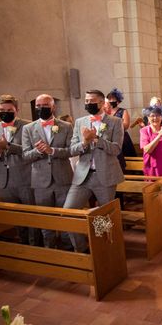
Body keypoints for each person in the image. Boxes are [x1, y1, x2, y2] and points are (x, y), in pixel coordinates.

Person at [63, 89, 124, 252]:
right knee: (68, 211)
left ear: (102, 103)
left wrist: (96, 140)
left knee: (106, 216)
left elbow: (116, 149)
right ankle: (82, 250)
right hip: (82, 175)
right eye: (86, 101)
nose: (88, 103)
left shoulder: (115, 122)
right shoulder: (80, 122)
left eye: (92, 101)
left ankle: (107, 250)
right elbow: (72, 149)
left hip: (105, 175)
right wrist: (84, 142)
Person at [0, 95, 38, 245]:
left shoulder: (28, 126)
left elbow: (32, 151)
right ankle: (23, 242)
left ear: (17, 110)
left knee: (32, 215)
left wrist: (8, 146)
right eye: (2, 110)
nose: (5, 112)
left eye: (9, 110)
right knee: (16, 217)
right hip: (3, 181)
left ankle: (36, 246)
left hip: (25, 178)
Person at [22, 94, 74, 249]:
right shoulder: (28, 128)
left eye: (45, 105)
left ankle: (68, 247)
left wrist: (52, 151)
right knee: (45, 218)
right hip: (40, 180)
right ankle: (49, 249)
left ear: (53, 107)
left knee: (66, 215)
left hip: (63, 177)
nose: (41, 108)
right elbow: (25, 156)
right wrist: (38, 151)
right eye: (38, 106)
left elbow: (71, 151)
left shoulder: (66, 126)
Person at [107, 88, 136, 160]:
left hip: (122, 138)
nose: (111, 101)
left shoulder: (123, 111)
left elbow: (126, 125)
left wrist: (112, 125)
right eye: (109, 99)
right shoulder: (105, 112)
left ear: (118, 101)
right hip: (109, 138)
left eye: (113, 99)